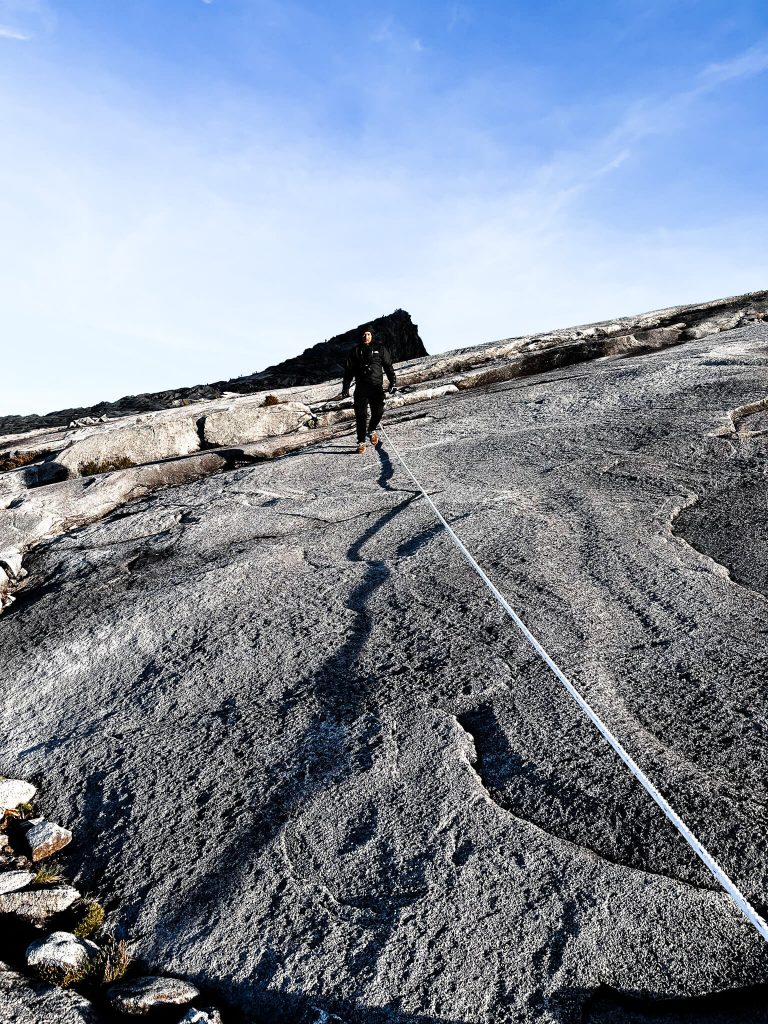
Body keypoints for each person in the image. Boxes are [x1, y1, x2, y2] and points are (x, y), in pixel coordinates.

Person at [341, 329, 397, 453]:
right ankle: (361, 442)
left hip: (376, 387)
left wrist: (393, 382)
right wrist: (345, 387)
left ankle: (371, 430)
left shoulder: (380, 349)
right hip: (361, 388)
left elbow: (388, 366)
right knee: (361, 415)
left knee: (379, 411)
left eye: (368, 334)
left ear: (372, 335)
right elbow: (349, 371)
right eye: (364, 334)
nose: (366, 337)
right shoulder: (355, 351)